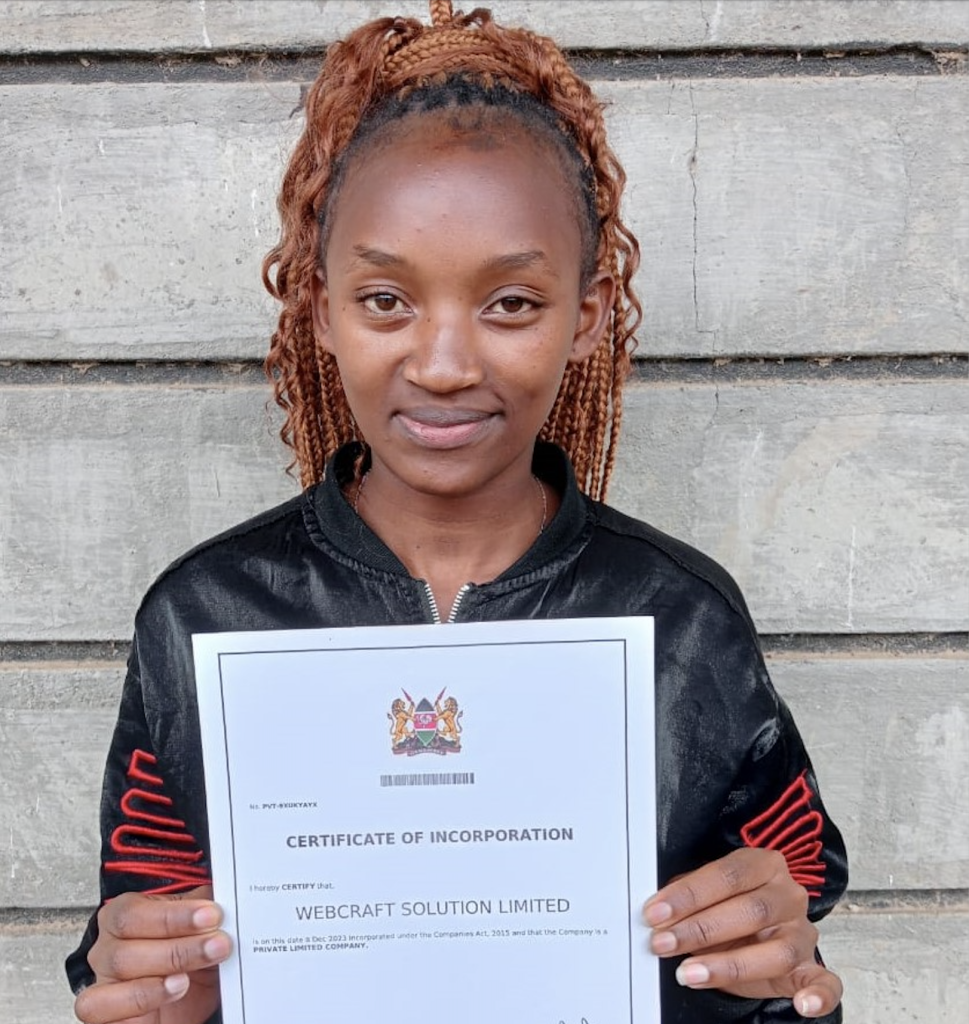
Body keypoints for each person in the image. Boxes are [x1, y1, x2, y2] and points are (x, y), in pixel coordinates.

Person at [66, 2, 848, 1021]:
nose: (442, 364)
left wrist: (779, 974)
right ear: (320, 308)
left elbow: (781, 937)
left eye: (510, 303)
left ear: (586, 316)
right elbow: (142, 931)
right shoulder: (206, 615)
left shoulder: (683, 619)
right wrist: (152, 987)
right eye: (385, 300)